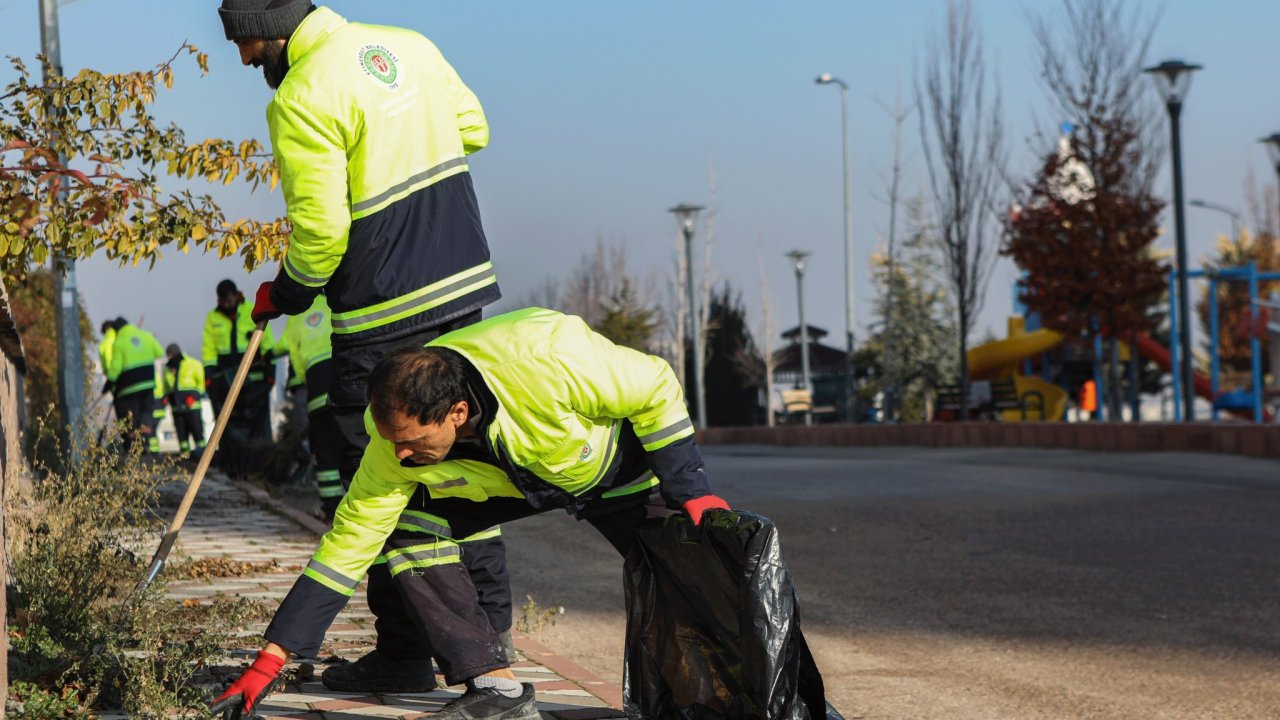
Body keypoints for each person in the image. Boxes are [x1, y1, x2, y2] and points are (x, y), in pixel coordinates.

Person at [211, 308, 732, 720]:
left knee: (689, 575)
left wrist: (691, 489)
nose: (400, 458)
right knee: (404, 528)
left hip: (610, 468)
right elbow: (349, 544)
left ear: (456, 412)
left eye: (413, 443)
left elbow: (656, 384)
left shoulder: (549, 356)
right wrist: (273, 658)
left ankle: (740, 699)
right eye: (393, 442)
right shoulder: (392, 440)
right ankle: (493, 687)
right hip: (510, 483)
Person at [219, 0, 510, 690]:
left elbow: (320, 240)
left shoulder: (303, 93)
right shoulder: (411, 45)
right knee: (463, 468)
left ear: (273, 30)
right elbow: (475, 129)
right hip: (463, 294)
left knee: (384, 480)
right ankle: (490, 637)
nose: (244, 59)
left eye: (248, 43)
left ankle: (416, 658)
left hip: (384, 314)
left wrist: (284, 294)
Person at [202, 279, 277, 477]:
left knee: (256, 425)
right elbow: (209, 349)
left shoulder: (252, 311)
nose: (225, 303)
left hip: (253, 382)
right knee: (228, 424)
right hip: (227, 381)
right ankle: (235, 467)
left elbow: (267, 343)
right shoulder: (213, 318)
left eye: (228, 299)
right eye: (222, 300)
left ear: (236, 295)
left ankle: (257, 468)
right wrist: (209, 374)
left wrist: (270, 370)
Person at [107, 318, 165, 455]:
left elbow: (116, 367)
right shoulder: (146, 335)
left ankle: (134, 448)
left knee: (131, 418)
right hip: (148, 384)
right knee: (146, 413)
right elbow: (159, 352)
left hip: (128, 387)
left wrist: (109, 383)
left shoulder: (119, 342)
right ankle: (144, 442)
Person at [164, 343, 208, 457]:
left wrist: (193, 397)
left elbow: (201, 385)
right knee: (182, 437)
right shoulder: (168, 368)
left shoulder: (193, 364)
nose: (169, 358)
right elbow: (166, 387)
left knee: (198, 434)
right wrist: (165, 398)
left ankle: (203, 457)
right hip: (177, 409)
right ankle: (185, 459)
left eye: (170, 355)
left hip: (192, 408)